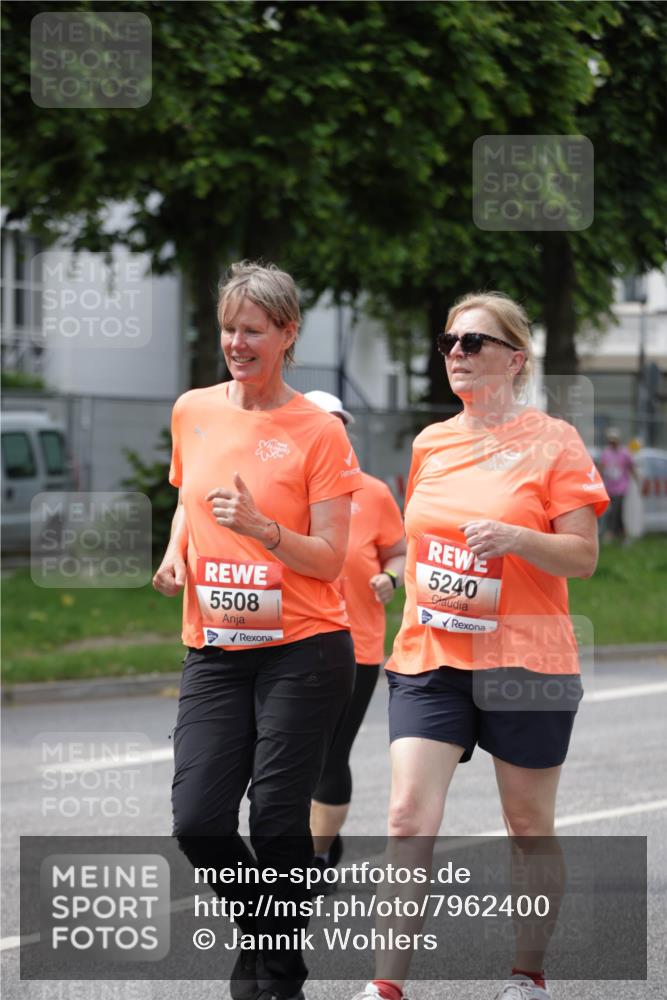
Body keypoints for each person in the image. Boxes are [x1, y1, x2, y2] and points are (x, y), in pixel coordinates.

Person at [351, 292, 609, 1000]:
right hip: (430, 655)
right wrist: (395, 574)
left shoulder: (554, 441)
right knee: (407, 815)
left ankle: (526, 975)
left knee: (526, 826)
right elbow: (418, 544)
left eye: (474, 342)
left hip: (527, 661)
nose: (457, 354)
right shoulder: (430, 442)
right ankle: (384, 987)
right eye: (449, 343)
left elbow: (581, 558)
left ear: (514, 358)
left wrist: (519, 540)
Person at [152, 261, 362, 1000]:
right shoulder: (194, 408)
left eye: (252, 330)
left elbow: (332, 557)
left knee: (275, 824)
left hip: (304, 650)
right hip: (213, 646)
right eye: (227, 328)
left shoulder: (318, 432)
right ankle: (271, 935)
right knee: (199, 820)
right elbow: (188, 499)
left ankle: (273, 974)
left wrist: (266, 529)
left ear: (286, 333)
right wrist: (177, 551)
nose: (236, 342)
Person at [302, 390, 406, 875]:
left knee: (330, 752)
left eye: (338, 425)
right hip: (291, 641)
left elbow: (398, 552)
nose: (331, 433)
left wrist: (393, 576)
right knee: (291, 754)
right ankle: (311, 842)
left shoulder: (373, 492)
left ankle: (316, 856)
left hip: (357, 644)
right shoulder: (281, 489)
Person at [598, 427, 636, 542]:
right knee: (617, 513)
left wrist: (638, 480)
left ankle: (610, 533)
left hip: (621, 488)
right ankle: (623, 535)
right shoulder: (606, 453)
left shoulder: (625, 453)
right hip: (610, 488)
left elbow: (631, 468)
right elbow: (602, 467)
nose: (612, 443)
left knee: (615, 510)